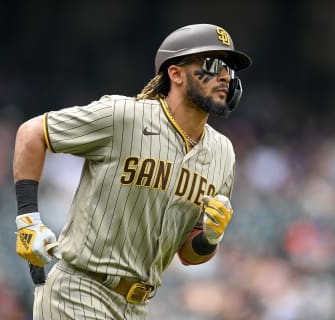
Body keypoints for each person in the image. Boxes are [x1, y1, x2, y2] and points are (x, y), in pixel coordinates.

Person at [13, 23, 252, 319]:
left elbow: (190, 254)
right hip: (78, 293)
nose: (225, 75)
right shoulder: (124, 116)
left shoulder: (223, 153)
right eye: (213, 64)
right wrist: (29, 220)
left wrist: (210, 239)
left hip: (137, 306)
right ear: (175, 74)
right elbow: (32, 133)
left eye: (229, 69)